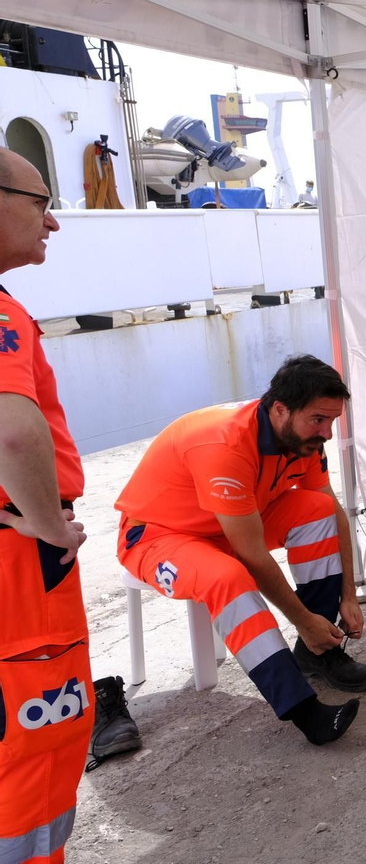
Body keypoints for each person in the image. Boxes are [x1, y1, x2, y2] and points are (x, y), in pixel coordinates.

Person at [114, 355, 366, 746]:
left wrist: (348, 595)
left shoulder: (300, 439)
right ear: (280, 409)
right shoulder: (226, 445)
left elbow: (331, 511)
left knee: (318, 512)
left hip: (233, 522)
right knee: (228, 576)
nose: (328, 433)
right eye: (319, 420)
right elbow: (250, 555)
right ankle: (306, 712)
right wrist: (301, 618)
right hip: (159, 536)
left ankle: (317, 651)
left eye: (333, 421)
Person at [0, 147, 91, 863]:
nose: (52, 221)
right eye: (39, 201)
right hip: (18, 569)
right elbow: (12, 425)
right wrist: (47, 522)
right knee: (37, 734)